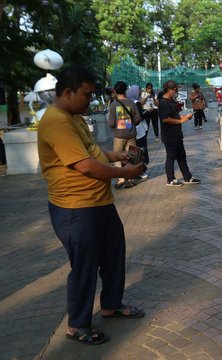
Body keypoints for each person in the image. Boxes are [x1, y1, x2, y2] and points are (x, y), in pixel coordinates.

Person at [37, 65, 145, 345]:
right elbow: (85, 166)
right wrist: (126, 173)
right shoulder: (56, 121)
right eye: (86, 95)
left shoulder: (73, 117)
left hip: (99, 204)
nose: (91, 100)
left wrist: (120, 158)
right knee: (85, 265)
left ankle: (110, 305)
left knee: (112, 256)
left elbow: (94, 153)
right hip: (75, 209)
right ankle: (78, 324)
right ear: (68, 92)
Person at [158, 80, 201, 187]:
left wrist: (185, 117)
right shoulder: (163, 102)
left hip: (177, 134)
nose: (176, 91)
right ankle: (170, 179)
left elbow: (175, 115)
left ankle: (187, 177)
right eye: (174, 90)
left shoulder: (171, 101)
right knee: (171, 156)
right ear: (168, 90)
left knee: (182, 156)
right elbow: (165, 119)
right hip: (169, 134)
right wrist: (180, 121)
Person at [108, 81, 142, 188]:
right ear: (125, 90)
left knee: (117, 156)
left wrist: (115, 127)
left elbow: (112, 123)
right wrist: (131, 124)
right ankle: (131, 178)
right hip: (131, 134)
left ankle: (121, 178)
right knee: (131, 156)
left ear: (114, 91)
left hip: (119, 135)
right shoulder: (131, 103)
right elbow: (138, 119)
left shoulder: (113, 105)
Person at [126, 84, 149, 184]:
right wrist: (147, 112)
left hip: (130, 130)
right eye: (138, 91)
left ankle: (135, 172)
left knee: (134, 150)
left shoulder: (127, 103)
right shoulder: (136, 103)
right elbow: (140, 117)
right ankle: (140, 171)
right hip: (139, 130)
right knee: (141, 150)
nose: (140, 92)